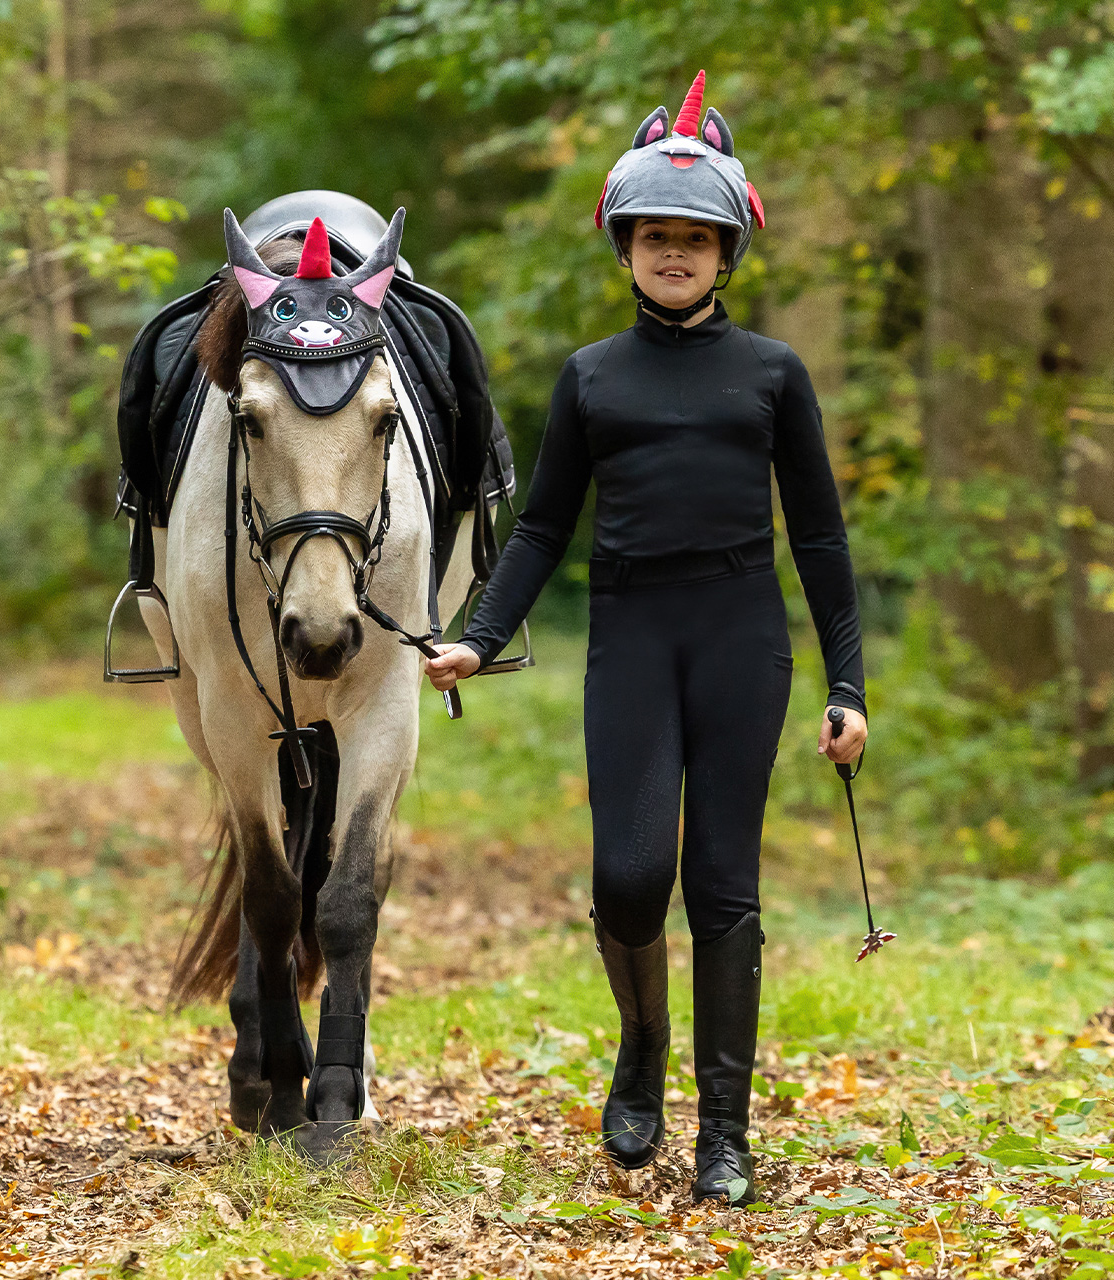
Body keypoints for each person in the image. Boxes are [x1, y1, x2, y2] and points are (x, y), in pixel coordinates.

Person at [424, 71, 868, 1204]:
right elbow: (540, 527)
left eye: (695, 237)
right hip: (629, 630)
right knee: (627, 876)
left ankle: (724, 1132)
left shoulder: (773, 373)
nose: (673, 252)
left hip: (737, 635)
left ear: (726, 252)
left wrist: (846, 683)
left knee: (722, 883)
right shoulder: (589, 377)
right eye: (654, 235)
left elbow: (817, 537)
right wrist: (479, 635)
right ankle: (640, 1043)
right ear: (624, 244)